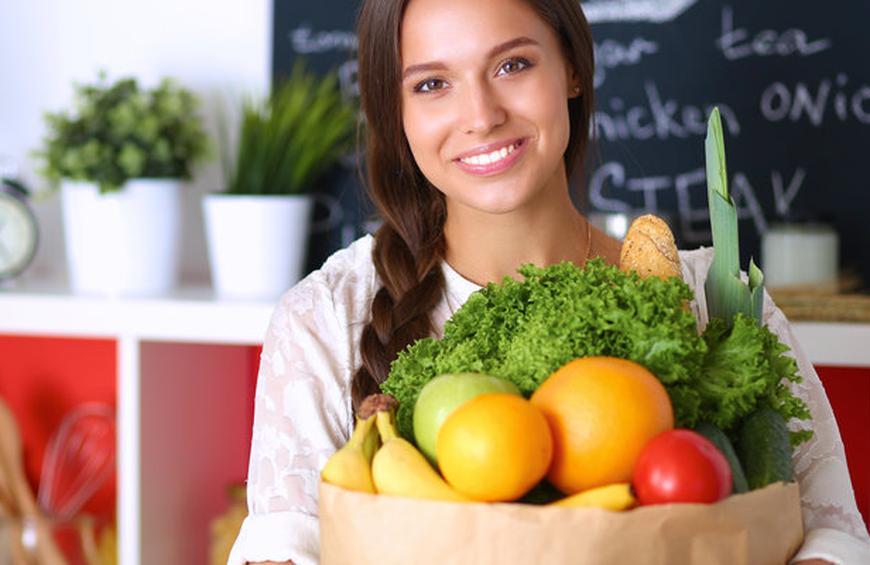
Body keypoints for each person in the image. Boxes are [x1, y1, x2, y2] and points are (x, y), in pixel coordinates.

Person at [228, 0, 870, 563]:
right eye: (431, 84)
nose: (480, 116)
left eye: (512, 65)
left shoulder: (714, 299)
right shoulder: (326, 319)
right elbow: (285, 548)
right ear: (393, 111)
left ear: (572, 69)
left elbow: (833, 536)